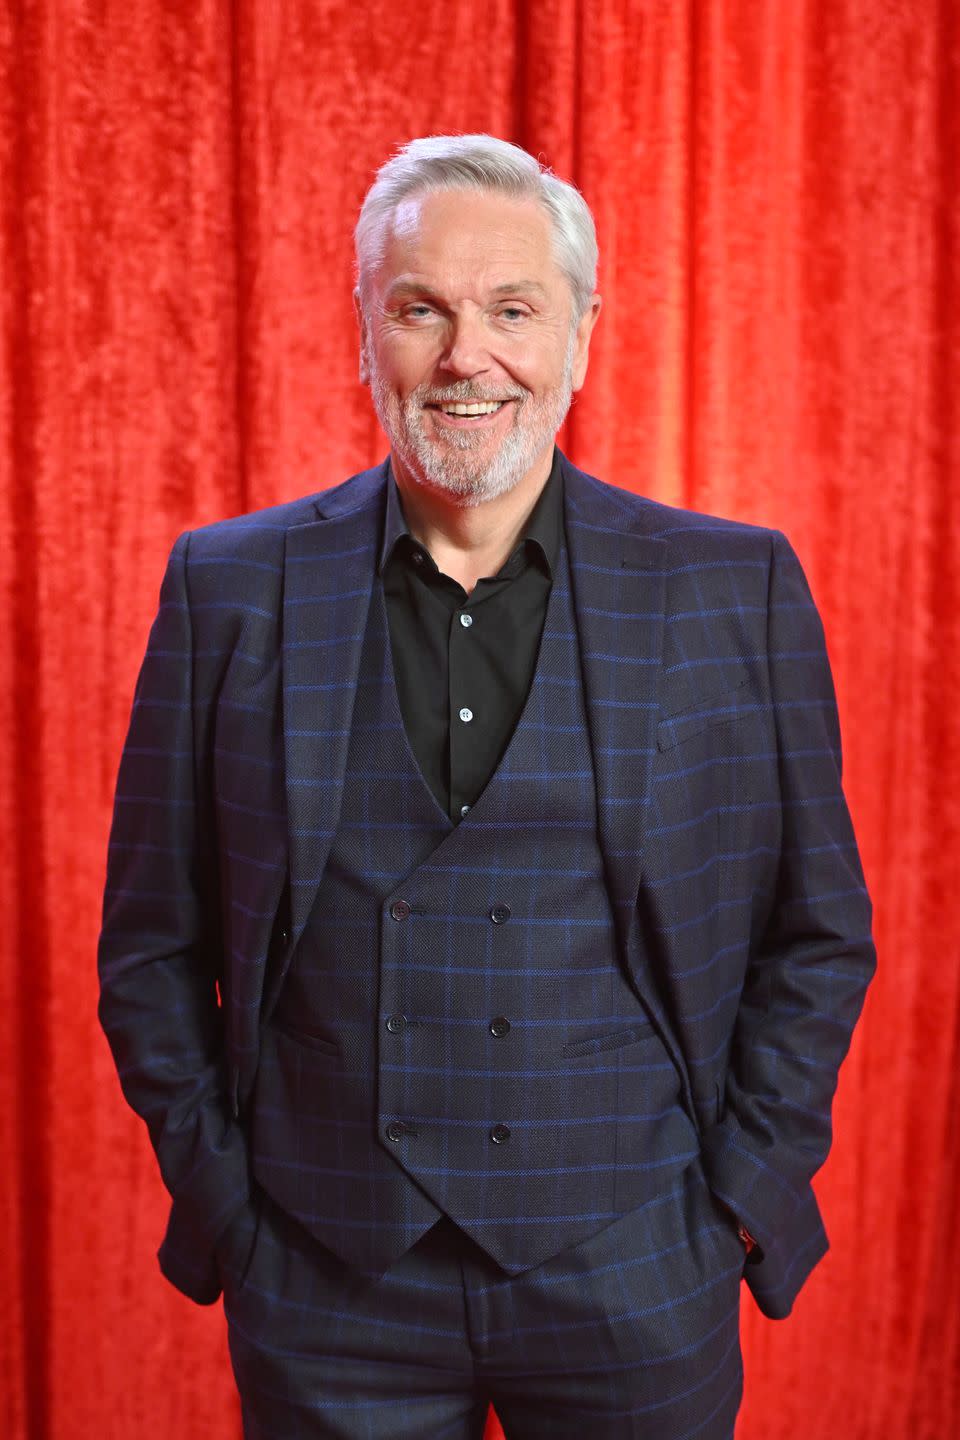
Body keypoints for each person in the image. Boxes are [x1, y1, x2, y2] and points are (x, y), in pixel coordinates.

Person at [97, 134, 876, 1439]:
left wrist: (737, 1195)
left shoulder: (733, 588)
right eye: (422, 310)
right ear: (367, 332)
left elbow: (819, 932)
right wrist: (232, 1210)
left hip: (641, 1270)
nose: (469, 357)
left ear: (580, 331)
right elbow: (150, 947)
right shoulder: (227, 587)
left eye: (513, 309)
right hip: (326, 1281)